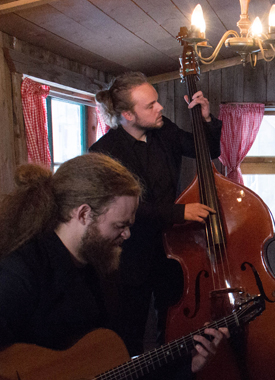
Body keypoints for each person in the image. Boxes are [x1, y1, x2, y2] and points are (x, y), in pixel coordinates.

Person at [0, 153, 229, 376]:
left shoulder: (101, 269)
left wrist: (187, 366)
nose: (127, 234)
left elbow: (115, 368)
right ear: (83, 214)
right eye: (120, 225)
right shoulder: (19, 273)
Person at [89, 72, 222, 356]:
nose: (160, 108)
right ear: (127, 114)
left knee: (172, 324)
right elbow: (122, 208)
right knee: (128, 330)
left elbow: (207, 150)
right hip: (128, 255)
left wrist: (206, 119)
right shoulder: (104, 152)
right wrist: (179, 211)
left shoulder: (164, 131)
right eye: (150, 105)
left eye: (157, 101)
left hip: (171, 250)